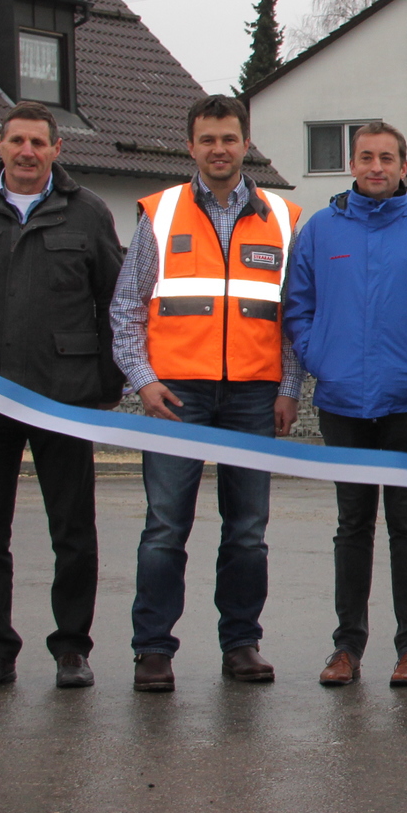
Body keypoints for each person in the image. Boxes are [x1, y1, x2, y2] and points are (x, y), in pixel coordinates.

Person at [0, 102, 124, 691]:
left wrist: (106, 386)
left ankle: (72, 649)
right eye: (17, 140)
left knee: (73, 530)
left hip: (63, 396)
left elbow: (113, 304)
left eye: (38, 142)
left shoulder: (87, 211)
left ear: (56, 149)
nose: (27, 152)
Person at [112, 94, 302, 692]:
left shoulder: (283, 218)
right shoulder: (160, 213)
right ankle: (153, 650)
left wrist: (289, 388)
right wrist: (143, 381)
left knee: (247, 532)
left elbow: (295, 317)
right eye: (208, 140)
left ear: (246, 143)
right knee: (165, 528)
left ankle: (241, 644)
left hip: (254, 397)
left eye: (229, 139)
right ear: (191, 146)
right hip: (176, 398)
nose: (219, 150)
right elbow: (125, 309)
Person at [284, 122, 407, 689]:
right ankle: (347, 648)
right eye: (366, 157)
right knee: (352, 525)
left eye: (387, 158)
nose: (376, 167)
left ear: (404, 166)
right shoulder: (320, 229)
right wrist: (319, 357)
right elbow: (298, 306)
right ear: (352, 164)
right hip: (343, 401)